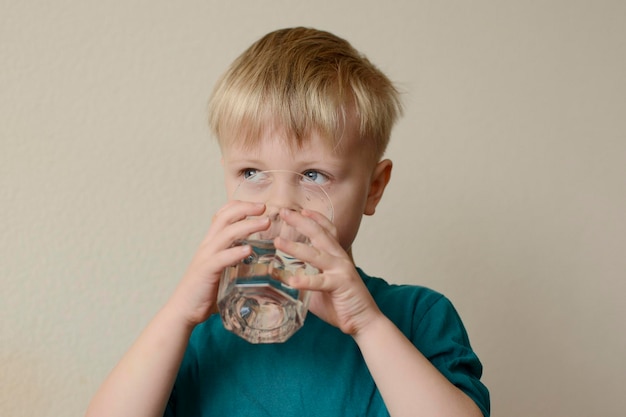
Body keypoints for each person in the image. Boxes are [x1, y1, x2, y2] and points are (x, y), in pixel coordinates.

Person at [85, 27, 490, 417]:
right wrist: (178, 315)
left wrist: (367, 324)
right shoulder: (194, 336)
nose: (279, 204)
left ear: (373, 188)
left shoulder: (416, 315)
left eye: (313, 175)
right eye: (251, 173)